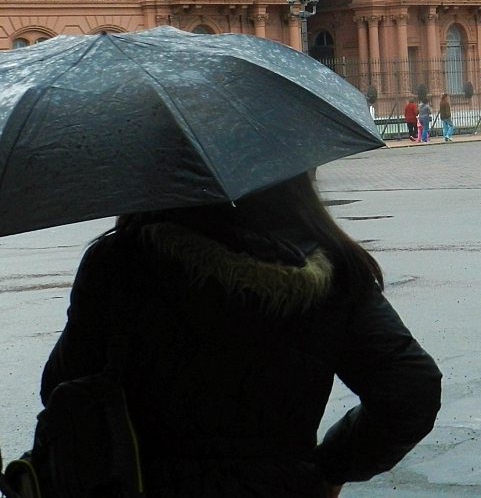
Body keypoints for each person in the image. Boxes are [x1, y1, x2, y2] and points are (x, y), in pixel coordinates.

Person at [38, 173, 442, 498]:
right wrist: (328, 468)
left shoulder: (122, 260)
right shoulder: (332, 270)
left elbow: (62, 389)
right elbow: (411, 389)